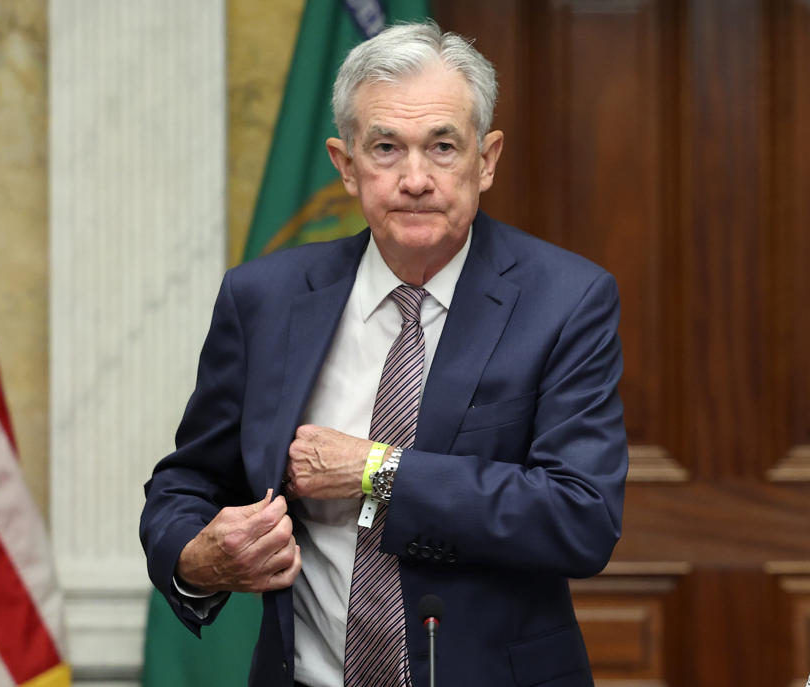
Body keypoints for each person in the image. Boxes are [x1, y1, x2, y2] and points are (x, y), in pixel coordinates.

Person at [140, 21, 627, 687]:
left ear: (487, 160)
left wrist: (379, 469)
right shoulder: (266, 299)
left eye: (443, 146)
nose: (416, 178)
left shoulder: (565, 300)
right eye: (387, 148)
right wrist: (199, 559)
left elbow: (582, 516)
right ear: (345, 164)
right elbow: (185, 484)